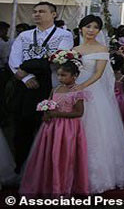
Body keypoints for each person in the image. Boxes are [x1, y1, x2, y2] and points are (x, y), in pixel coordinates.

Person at [8, 2, 73, 173]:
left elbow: (58, 58)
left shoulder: (64, 35)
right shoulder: (24, 35)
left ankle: (45, 170)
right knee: (23, 128)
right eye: (35, 11)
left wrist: (27, 66)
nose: (37, 14)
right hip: (25, 86)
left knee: (47, 127)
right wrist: (26, 76)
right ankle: (21, 166)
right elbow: (14, 60)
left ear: (54, 14)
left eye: (42, 11)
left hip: (50, 84)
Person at [73, 15, 124, 193]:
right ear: (81, 28)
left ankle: (98, 175)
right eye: (88, 26)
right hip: (74, 90)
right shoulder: (74, 49)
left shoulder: (101, 49)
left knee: (95, 131)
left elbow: (98, 74)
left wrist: (80, 87)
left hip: (93, 92)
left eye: (95, 27)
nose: (91, 30)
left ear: (99, 31)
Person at [18, 60, 89, 196]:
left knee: (64, 155)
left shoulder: (77, 91)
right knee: (50, 154)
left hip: (68, 128)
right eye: (59, 75)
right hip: (52, 127)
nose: (60, 78)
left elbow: (79, 112)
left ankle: (62, 185)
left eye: (64, 75)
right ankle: (48, 183)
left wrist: (57, 114)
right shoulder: (55, 89)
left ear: (74, 76)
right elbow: (49, 103)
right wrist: (46, 113)